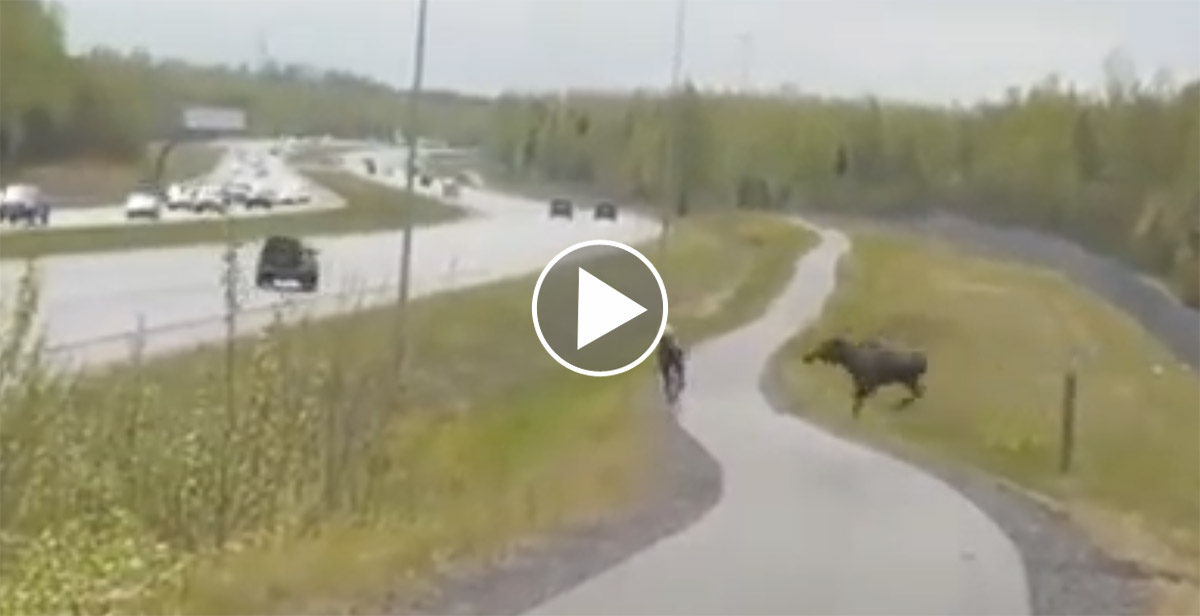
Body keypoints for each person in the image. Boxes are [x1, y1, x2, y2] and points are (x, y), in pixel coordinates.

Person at [657, 324, 686, 403]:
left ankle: (677, 380)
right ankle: (679, 379)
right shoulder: (667, 329)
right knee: (677, 364)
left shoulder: (666, 329)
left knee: (671, 365)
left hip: (667, 349)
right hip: (669, 348)